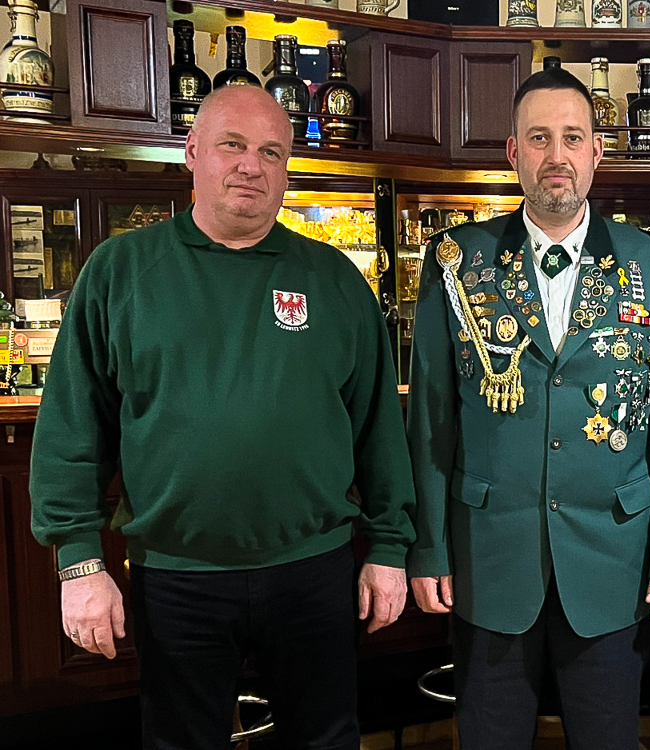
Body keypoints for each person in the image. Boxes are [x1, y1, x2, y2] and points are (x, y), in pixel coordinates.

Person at [30, 85, 416, 750]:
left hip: (313, 569)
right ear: (192, 152)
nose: (250, 166)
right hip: (175, 575)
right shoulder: (120, 271)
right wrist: (79, 562)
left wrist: (388, 548)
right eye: (232, 145)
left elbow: (380, 430)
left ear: (286, 168)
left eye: (271, 152)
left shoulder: (334, 280)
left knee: (325, 740)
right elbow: (72, 426)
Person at [406, 68, 650, 750]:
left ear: (597, 150)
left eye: (572, 137)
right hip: (489, 558)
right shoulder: (457, 262)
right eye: (539, 138)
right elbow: (430, 421)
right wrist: (428, 547)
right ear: (514, 152)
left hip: (613, 559)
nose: (556, 155)